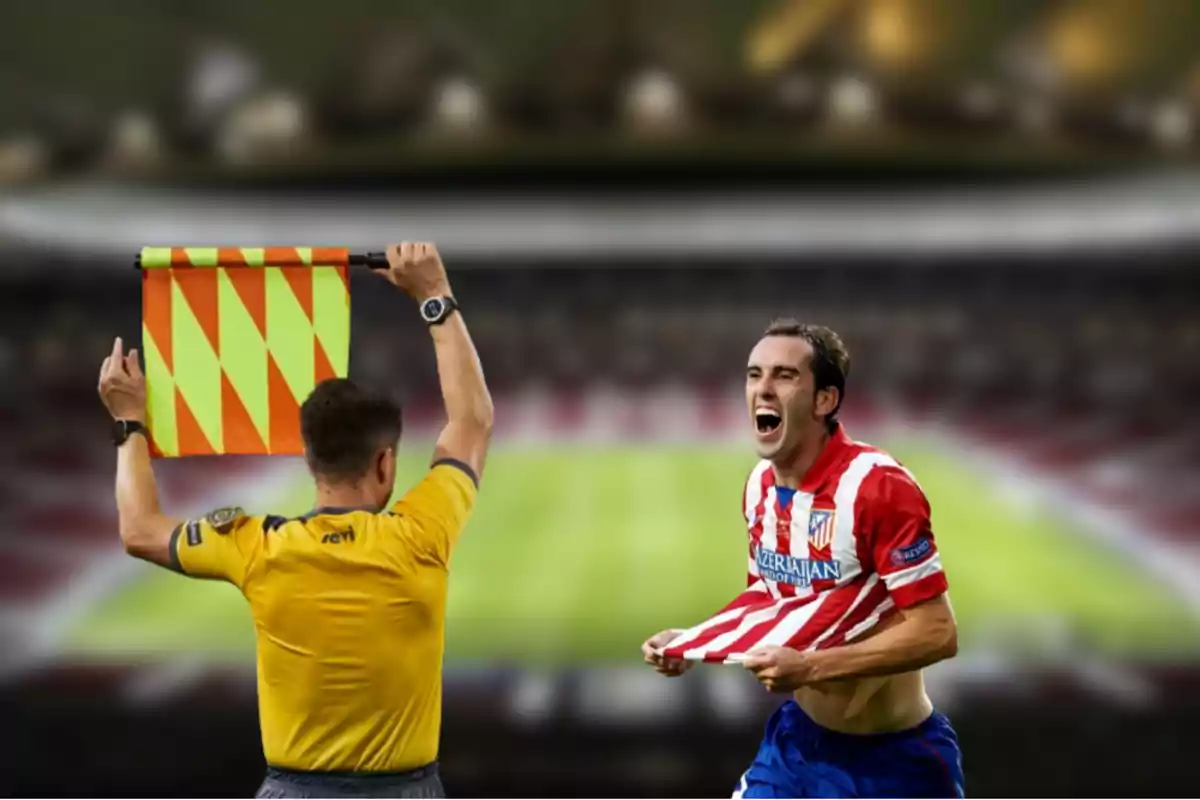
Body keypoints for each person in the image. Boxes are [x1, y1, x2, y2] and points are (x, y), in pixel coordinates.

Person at [98, 242, 493, 799]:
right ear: (385, 462)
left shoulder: (255, 546)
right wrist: (435, 297)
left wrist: (129, 422)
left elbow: (139, 529)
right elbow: (472, 423)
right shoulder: (420, 535)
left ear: (310, 459)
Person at [640, 319, 964, 798]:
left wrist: (810, 668)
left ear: (825, 400)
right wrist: (693, 642)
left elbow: (938, 631)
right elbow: (770, 600)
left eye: (785, 376)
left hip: (894, 761)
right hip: (796, 748)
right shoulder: (758, 488)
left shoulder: (877, 487)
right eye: (754, 375)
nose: (763, 390)